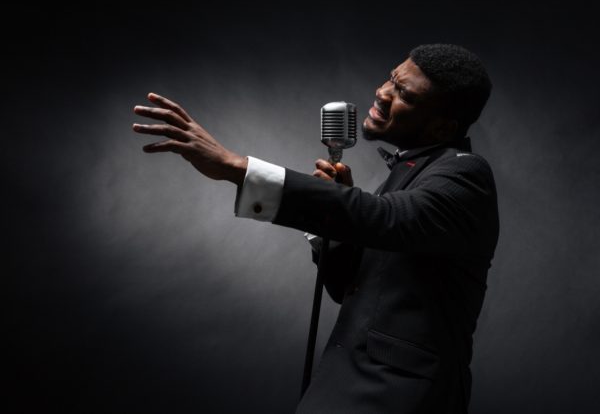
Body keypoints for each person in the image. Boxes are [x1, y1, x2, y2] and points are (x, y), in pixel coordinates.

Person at [132, 43, 499, 413]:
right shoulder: (409, 174)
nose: (382, 92)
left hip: (396, 398)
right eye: (391, 79)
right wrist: (335, 224)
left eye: (404, 93)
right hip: (346, 386)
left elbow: (385, 217)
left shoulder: (465, 173)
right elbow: (350, 288)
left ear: (443, 126)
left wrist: (238, 168)